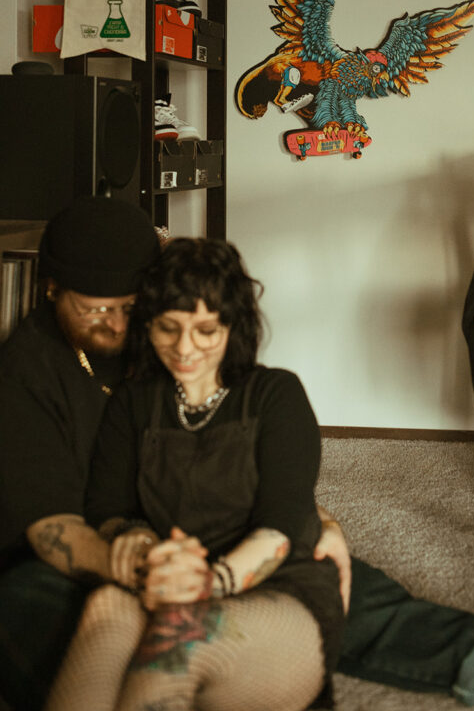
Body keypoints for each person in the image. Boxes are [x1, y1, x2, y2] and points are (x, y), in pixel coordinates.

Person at [0, 197, 474, 711]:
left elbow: (243, 442)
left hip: (200, 527)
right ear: (51, 289)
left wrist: (306, 518)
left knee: (324, 573)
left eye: (130, 307)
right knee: (39, 607)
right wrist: (136, 563)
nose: (116, 326)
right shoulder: (27, 371)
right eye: (95, 311)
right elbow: (48, 524)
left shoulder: (168, 338)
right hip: (91, 549)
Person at [45, 236, 345, 710]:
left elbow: (283, 524)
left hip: (273, 588)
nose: (185, 348)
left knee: (178, 632)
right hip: (162, 577)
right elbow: (108, 507)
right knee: (103, 607)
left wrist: (207, 583)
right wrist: (139, 548)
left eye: (206, 330)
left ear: (232, 327)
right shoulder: (133, 400)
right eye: (168, 328)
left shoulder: (276, 394)